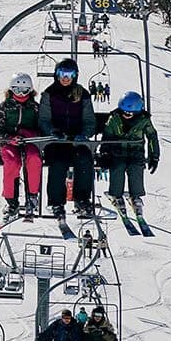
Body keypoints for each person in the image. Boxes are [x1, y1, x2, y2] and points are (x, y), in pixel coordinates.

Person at [40, 59, 96, 221]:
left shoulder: (82, 94)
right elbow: (43, 119)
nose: (65, 78)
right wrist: (52, 131)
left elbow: (90, 121)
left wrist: (84, 134)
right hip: (56, 141)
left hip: (77, 140)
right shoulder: (49, 94)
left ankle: (82, 200)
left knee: (85, 159)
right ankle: (56, 203)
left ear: (75, 76)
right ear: (56, 75)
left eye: (69, 74)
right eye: (62, 74)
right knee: (58, 162)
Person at [0, 73, 45, 221]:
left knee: (34, 159)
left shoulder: (34, 107)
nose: (21, 94)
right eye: (17, 90)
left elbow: (42, 129)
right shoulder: (5, 107)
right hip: (9, 143)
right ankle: (11, 202)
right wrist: (10, 138)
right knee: (12, 162)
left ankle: (32, 196)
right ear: (11, 90)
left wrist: (30, 135)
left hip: (29, 142)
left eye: (24, 90)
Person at [98, 91, 160, 219]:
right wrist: (104, 153)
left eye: (130, 113)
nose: (126, 115)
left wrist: (154, 156)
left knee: (135, 167)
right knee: (118, 166)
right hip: (118, 151)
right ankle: (116, 194)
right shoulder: (114, 119)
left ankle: (135, 196)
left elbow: (152, 137)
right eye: (124, 112)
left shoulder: (143, 120)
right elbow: (107, 136)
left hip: (135, 152)